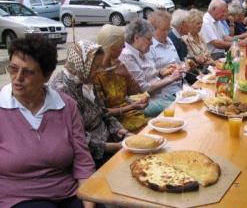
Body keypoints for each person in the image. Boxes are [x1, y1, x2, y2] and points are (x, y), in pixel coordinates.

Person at [0, 36, 95, 207]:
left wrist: (90, 203)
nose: (17, 78)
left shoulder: (66, 106)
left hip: (66, 192)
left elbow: (83, 161)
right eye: (13, 69)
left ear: (47, 75)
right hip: (18, 198)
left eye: (27, 72)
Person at [51, 40, 128, 168]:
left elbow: (102, 112)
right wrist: (119, 147)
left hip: (111, 139)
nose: (99, 72)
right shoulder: (62, 91)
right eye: (96, 67)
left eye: (100, 67)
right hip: (94, 156)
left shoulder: (85, 80)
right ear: (81, 64)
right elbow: (81, 141)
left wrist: (122, 131)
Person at [119, 18, 183, 117]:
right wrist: (171, 79)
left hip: (160, 95)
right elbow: (142, 89)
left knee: (187, 100)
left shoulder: (141, 50)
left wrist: (161, 72)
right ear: (136, 38)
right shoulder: (127, 55)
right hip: (145, 102)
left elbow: (148, 74)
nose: (152, 43)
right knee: (180, 108)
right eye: (149, 39)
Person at [94, 24, 149, 132]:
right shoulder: (95, 73)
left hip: (132, 116)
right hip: (115, 124)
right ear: (112, 47)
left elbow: (136, 93)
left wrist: (128, 76)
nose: (124, 47)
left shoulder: (117, 63)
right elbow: (103, 112)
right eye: (121, 44)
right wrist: (132, 107)